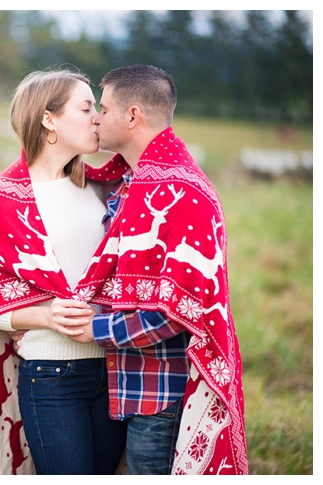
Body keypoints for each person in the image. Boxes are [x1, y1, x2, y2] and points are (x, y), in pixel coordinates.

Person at [43, 65, 249, 475]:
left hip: (161, 395)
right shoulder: (132, 183)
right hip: (127, 386)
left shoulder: (181, 195)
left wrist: (95, 330)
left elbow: (177, 310)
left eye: (104, 108)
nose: (97, 118)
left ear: (132, 117)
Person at [0, 68, 128, 475]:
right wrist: (45, 316)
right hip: (52, 378)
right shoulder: (0, 200)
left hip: (113, 372)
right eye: (86, 107)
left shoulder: (104, 189)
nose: (97, 116)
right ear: (48, 118)